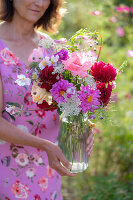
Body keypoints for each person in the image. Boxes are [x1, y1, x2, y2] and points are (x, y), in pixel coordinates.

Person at [0, 0, 95, 199]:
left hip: (47, 175)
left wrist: (81, 127)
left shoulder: (51, 49)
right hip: (6, 173)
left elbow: (63, 107)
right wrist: (45, 145)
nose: (40, 3)